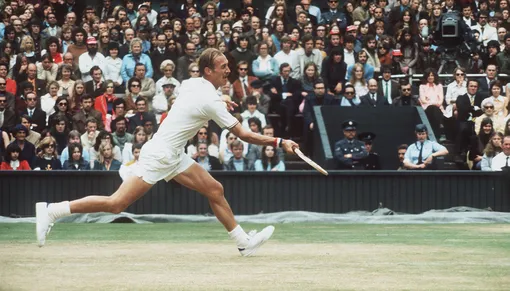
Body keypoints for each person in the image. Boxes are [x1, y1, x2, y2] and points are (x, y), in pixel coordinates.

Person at [36, 48, 298, 257]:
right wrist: (279, 141)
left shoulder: (194, 83)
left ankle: (243, 243)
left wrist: (222, 100)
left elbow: (198, 100)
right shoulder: (209, 98)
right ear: (208, 70)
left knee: (215, 189)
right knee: (116, 204)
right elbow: (244, 135)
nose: (228, 70)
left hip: (173, 154)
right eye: (223, 68)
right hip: (160, 155)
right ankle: (52, 211)